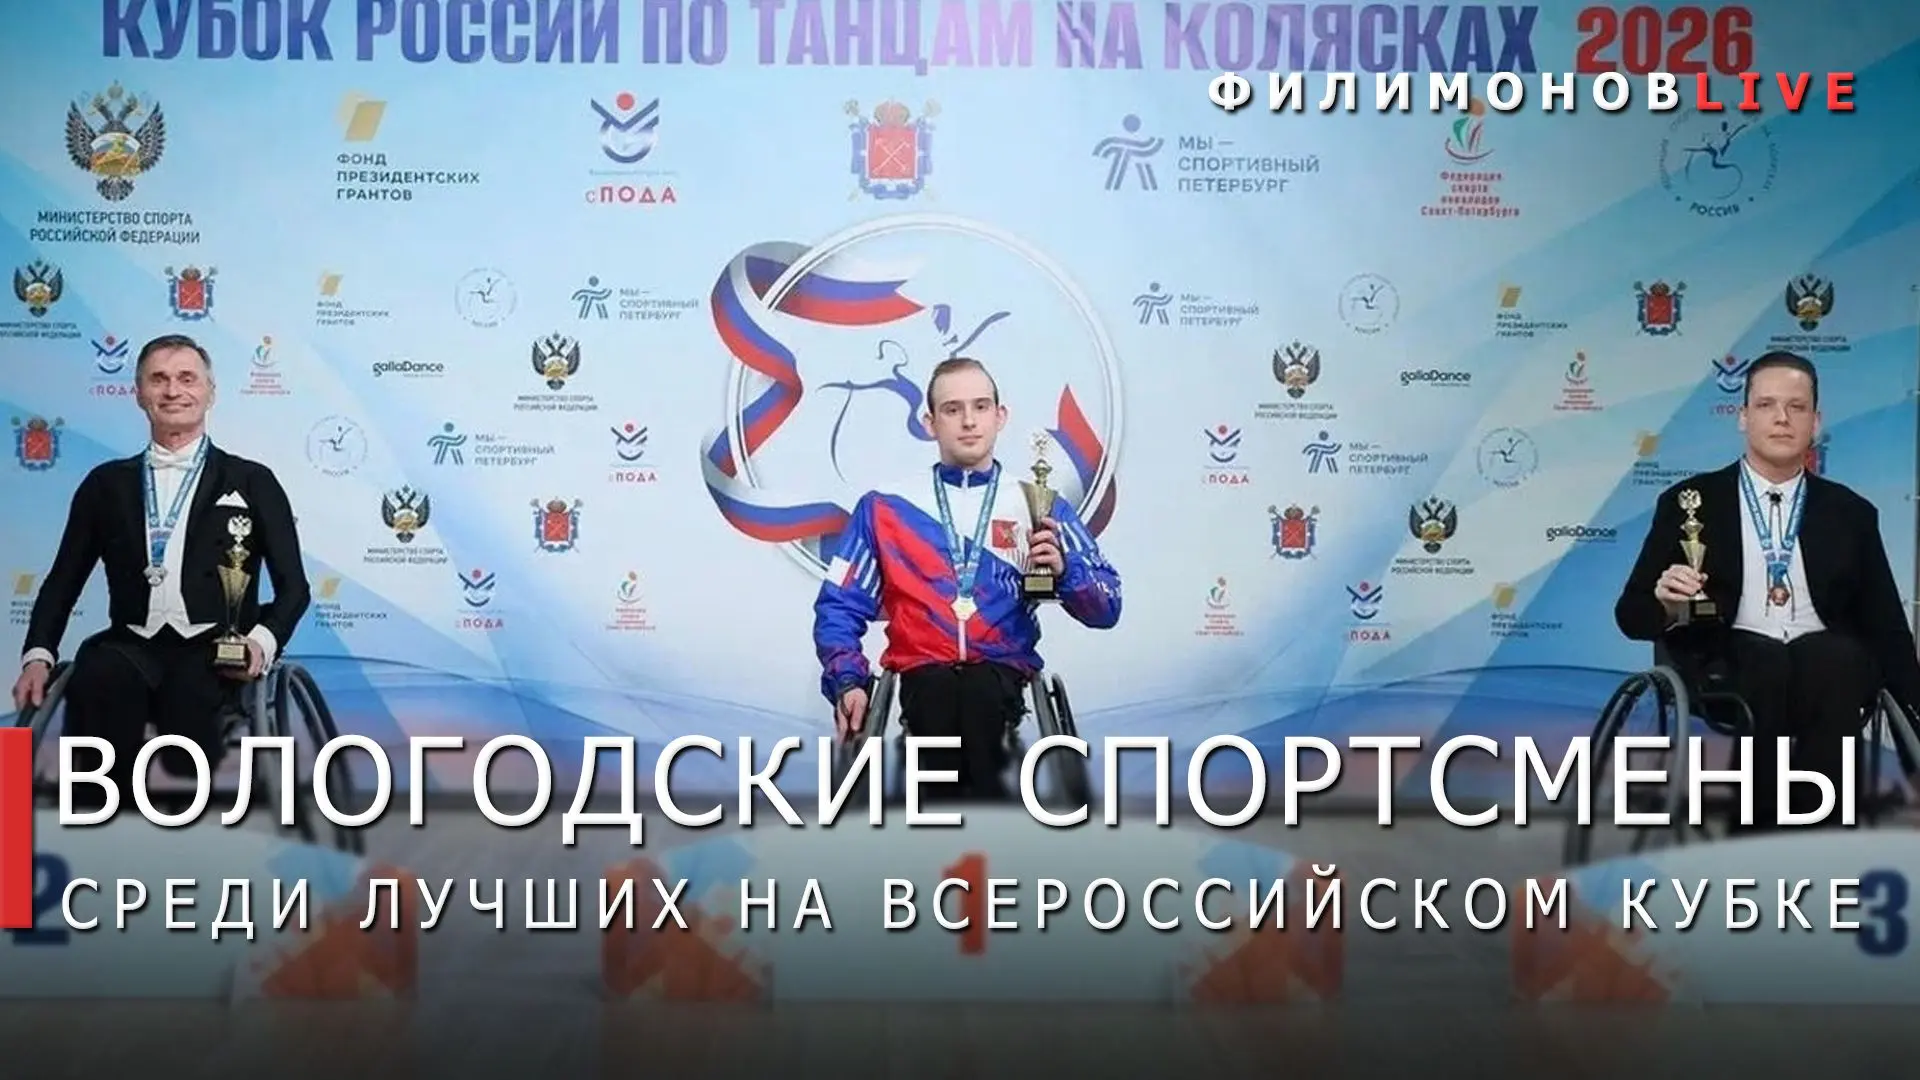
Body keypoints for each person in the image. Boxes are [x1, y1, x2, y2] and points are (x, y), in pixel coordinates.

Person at [1616, 350, 1920, 828]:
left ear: (1815, 421)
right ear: (1743, 416)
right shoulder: (1689, 502)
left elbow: (1887, 627)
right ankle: (1757, 831)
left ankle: (1820, 832)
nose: (1782, 418)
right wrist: (1667, 604)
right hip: (1726, 659)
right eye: (1766, 405)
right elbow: (1631, 615)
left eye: (1797, 407)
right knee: (1765, 659)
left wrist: (1915, 723)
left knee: (1837, 657)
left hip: (1827, 665)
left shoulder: (1851, 513)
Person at [10, 333, 311, 808]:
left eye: (187, 378)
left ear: (210, 392)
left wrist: (261, 642)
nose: (173, 390)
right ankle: (102, 816)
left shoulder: (253, 480)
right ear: (139, 394)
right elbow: (63, 581)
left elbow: (294, 588)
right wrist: (37, 656)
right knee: (99, 677)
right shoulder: (105, 485)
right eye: (159, 379)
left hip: (215, 649)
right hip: (131, 643)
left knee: (189, 712)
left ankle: (182, 814)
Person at [813, 357, 1122, 798]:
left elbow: (1108, 607)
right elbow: (839, 606)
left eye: (980, 406)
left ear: (1000, 416)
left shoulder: (1040, 504)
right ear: (929, 423)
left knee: (977, 696)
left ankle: (967, 825)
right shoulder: (885, 507)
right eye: (952, 409)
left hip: (1000, 675)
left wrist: (1067, 571)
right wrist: (847, 679)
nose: (969, 421)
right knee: (939, 693)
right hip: (923, 674)